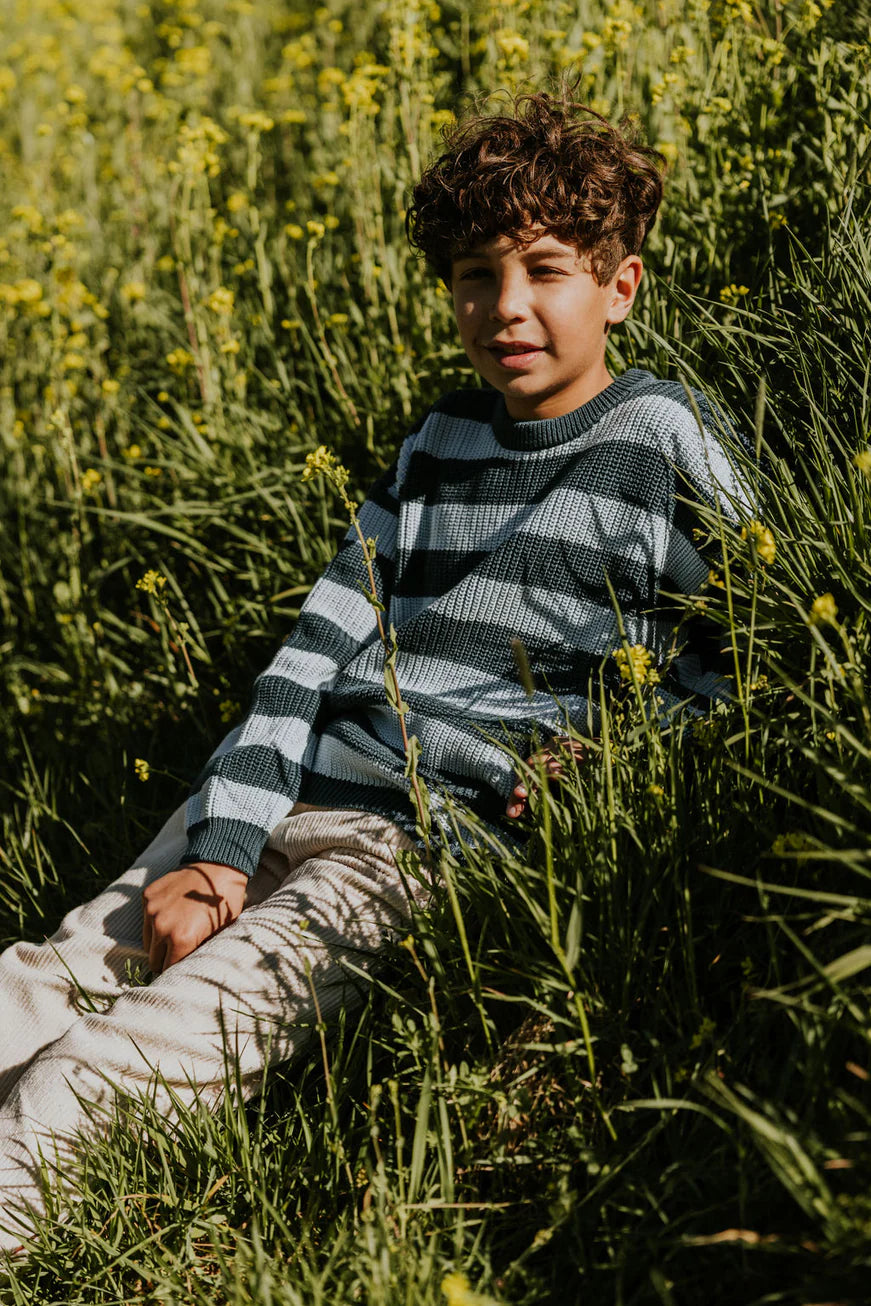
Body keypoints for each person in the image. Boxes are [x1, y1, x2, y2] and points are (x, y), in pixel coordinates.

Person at [0, 90, 747, 1254]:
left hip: (416, 844)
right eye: (472, 276)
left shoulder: (660, 439)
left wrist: (616, 763)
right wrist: (218, 849)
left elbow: (749, 646)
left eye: (544, 271)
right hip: (289, 790)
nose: (504, 306)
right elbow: (310, 653)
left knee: (113, 1062)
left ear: (620, 287)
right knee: (40, 982)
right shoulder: (435, 446)